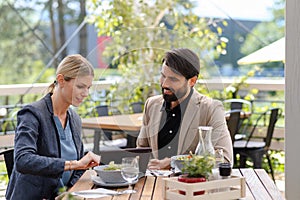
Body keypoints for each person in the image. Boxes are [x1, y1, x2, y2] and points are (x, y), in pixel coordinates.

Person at [6, 54, 101, 200]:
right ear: (61, 80)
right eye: (80, 86)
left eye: (88, 87)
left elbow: (77, 167)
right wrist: (73, 164)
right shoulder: (32, 114)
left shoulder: (74, 119)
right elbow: (22, 160)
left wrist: (69, 191)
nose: (86, 93)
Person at [136, 48, 233, 170]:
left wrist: (173, 162)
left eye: (173, 79)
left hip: (193, 185)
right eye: (163, 76)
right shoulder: (151, 105)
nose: (164, 84)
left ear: (192, 81)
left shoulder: (211, 109)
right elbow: (141, 150)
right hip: (155, 183)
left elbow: (224, 159)